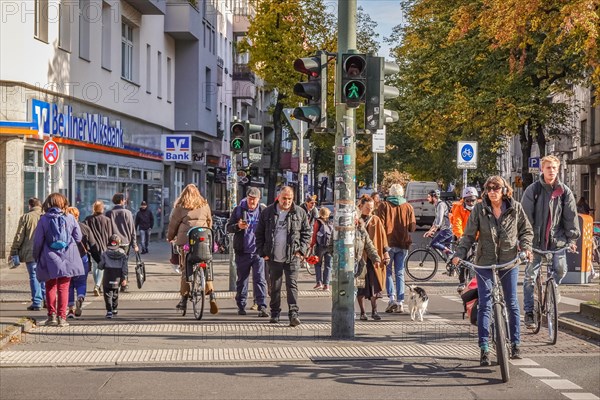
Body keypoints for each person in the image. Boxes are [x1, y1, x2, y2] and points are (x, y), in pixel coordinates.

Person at [452, 176, 533, 366]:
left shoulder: (515, 208)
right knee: (485, 303)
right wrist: (459, 254)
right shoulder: (480, 209)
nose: (492, 191)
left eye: (496, 188)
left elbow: (526, 230)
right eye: (489, 188)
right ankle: (484, 348)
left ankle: (515, 344)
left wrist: (526, 247)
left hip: (509, 260)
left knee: (512, 301)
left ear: (504, 190)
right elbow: (469, 236)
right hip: (485, 261)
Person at [521, 155, 580, 329]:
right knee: (530, 278)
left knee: (561, 270)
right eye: (548, 168)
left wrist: (572, 239)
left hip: (557, 241)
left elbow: (570, 217)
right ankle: (530, 313)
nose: (552, 171)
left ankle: (553, 289)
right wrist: (526, 242)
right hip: (536, 243)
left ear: (558, 169)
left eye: (554, 168)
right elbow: (525, 218)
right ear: (542, 169)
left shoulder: (564, 192)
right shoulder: (533, 190)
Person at [256, 186, 312, 326]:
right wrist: (263, 253)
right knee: (275, 286)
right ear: (278, 197)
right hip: (273, 256)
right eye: (284, 198)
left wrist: (301, 251)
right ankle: (275, 313)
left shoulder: (299, 212)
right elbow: (259, 233)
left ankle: (293, 314)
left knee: (291, 285)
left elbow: (306, 233)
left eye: (289, 198)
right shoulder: (268, 212)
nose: (287, 201)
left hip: (292, 256)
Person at [33, 193, 85, 327]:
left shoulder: (44, 219)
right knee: (64, 287)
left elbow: (38, 241)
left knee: (50, 286)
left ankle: (51, 317)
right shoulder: (70, 217)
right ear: (63, 203)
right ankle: (62, 317)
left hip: (48, 256)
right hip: (68, 255)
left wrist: (36, 255)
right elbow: (78, 237)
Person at [167, 184, 217, 314]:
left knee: (185, 269)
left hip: (186, 243)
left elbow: (173, 225)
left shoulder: (180, 208)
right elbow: (210, 222)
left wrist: (170, 237)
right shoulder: (204, 206)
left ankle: (184, 299)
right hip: (203, 240)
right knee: (206, 265)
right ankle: (211, 294)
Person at [226, 187, 269, 317]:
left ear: (258, 199)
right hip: (242, 251)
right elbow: (229, 228)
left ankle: (262, 306)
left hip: (258, 251)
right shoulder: (238, 210)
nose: (251, 201)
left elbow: (268, 230)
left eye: (254, 199)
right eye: (250, 198)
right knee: (242, 280)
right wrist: (238, 227)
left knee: (260, 279)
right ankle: (241, 305)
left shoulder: (262, 211)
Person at [377, 183, 416, 313]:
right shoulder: (408, 206)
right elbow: (412, 227)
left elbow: (380, 225)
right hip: (403, 243)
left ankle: (392, 299)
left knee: (387, 272)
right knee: (400, 272)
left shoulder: (384, 205)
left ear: (390, 192)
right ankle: (400, 302)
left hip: (388, 243)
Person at [356, 195, 389, 320]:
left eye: (371, 207)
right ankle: (363, 312)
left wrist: (386, 253)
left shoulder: (376, 220)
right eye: (367, 207)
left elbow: (383, 237)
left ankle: (374, 310)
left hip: (374, 257)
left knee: (374, 284)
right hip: (360, 258)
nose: (369, 210)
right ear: (361, 207)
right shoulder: (356, 220)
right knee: (361, 286)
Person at [9, 197, 45, 311]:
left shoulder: (26, 217)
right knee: (44, 276)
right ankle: (47, 300)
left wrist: (14, 250)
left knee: (34, 276)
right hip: (44, 251)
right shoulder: (45, 216)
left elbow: (19, 236)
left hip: (31, 252)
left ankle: (37, 302)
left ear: (30, 206)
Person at [106, 193, 138, 292]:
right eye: (124, 200)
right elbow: (132, 229)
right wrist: (135, 244)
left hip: (112, 242)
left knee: (113, 262)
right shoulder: (127, 213)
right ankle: (124, 282)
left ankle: (114, 282)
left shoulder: (109, 213)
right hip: (125, 242)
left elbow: (106, 229)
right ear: (121, 201)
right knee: (124, 262)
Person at [65, 207, 93, 318]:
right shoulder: (85, 228)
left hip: (68, 258)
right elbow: (93, 244)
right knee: (81, 282)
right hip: (82, 258)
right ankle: (80, 297)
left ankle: (70, 309)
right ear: (78, 216)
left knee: (69, 284)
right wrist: (100, 260)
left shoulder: (64, 227)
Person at [451, 187, 479, 293]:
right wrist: (460, 236)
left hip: (477, 236)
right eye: (468, 200)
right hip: (464, 236)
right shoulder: (459, 208)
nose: (470, 203)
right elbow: (457, 222)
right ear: (463, 200)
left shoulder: (480, 208)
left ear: (476, 199)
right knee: (463, 258)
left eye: (473, 200)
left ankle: (477, 280)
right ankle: (462, 281)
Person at [84, 200, 112, 297]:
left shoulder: (88, 219)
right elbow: (110, 234)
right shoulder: (107, 220)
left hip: (92, 246)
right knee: (101, 266)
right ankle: (97, 285)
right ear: (102, 209)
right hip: (104, 246)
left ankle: (97, 285)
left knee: (95, 266)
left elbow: (85, 232)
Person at [98, 234, 128, 319]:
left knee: (107, 293)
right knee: (115, 292)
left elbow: (101, 265)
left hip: (108, 273)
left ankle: (109, 310)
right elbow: (125, 267)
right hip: (118, 274)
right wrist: (124, 277)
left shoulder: (105, 253)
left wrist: (100, 266)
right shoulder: (123, 254)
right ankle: (114, 308)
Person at [424, 189, 454, 256]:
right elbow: (436, 220)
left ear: (434, 197)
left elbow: (439, 222)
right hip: (447, 229)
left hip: (447, 230)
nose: (427, 199)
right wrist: (430, 231)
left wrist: (432, 231)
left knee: (434, 243)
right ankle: (453, 264)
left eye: (429, 197)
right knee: (449, 255)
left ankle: (453, 255)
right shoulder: (437, 205)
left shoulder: (441, 205)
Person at [310, 207, 333, 290]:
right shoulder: (330, 222)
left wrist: (312, 244)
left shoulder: (318, 222)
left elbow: (315, 234)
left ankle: (319, 282)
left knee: (318, 264)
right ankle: (326, 284)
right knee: (328, 265)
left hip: (320, 246)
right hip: (329, 246)